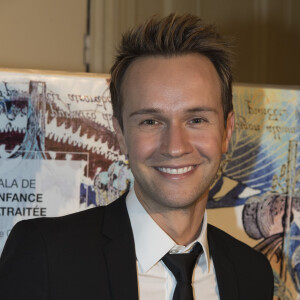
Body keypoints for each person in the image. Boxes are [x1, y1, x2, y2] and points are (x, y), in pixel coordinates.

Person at [0, 13, 273, 300]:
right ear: (120, 134)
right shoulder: (46, 255)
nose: (175, 147)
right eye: (150, 121)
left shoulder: (251, 273)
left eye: (196, 120)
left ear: (227, 131)